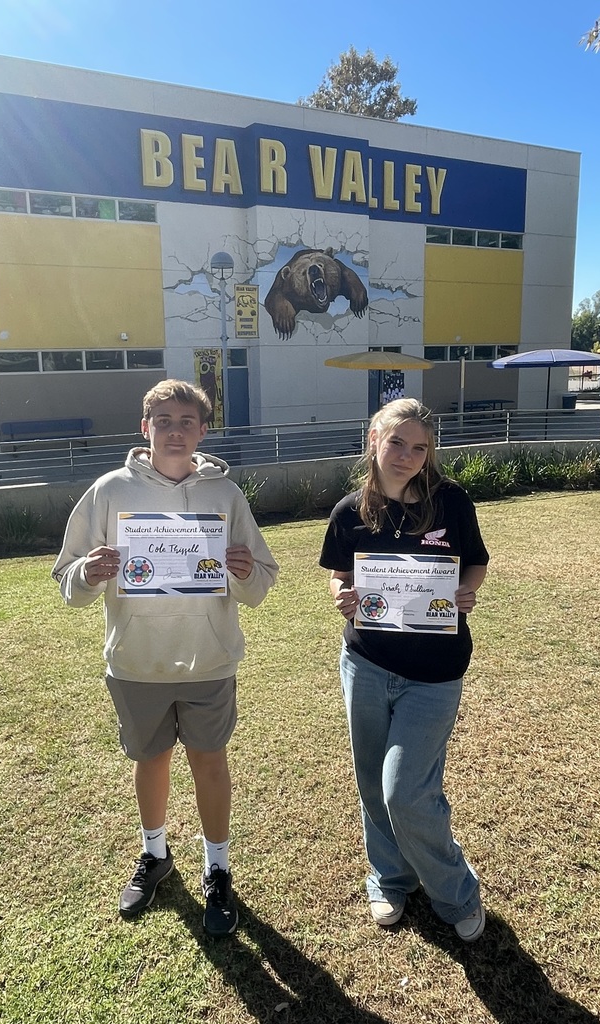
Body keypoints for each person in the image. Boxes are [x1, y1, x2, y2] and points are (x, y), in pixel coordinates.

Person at [52, 379, 278, 937]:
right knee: (150, 760)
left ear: (203, 431)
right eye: (164, 420)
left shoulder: (225, 496)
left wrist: (244, 571)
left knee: (209, 760)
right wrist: (89, 572)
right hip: (137, 662)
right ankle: (156, 855)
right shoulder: (109, 491)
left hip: (210, 660)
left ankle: (217, 869)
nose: (175, 430)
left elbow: (261, 580)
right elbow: (67, 578)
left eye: (186, 421)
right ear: (144, 427)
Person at [319, 398, 489, 942]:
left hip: (434, 672)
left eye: (420, 447)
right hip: (367, 664)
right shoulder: (350, 511)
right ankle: (389, 877)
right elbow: (340, 574)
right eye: (397, 442)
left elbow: (476, 563)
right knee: (372, 780)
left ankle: (455, 891)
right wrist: (342, 595)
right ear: (374, 438)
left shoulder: (451, 502)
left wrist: (468, 591)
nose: (408, 456)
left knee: (405, 789)